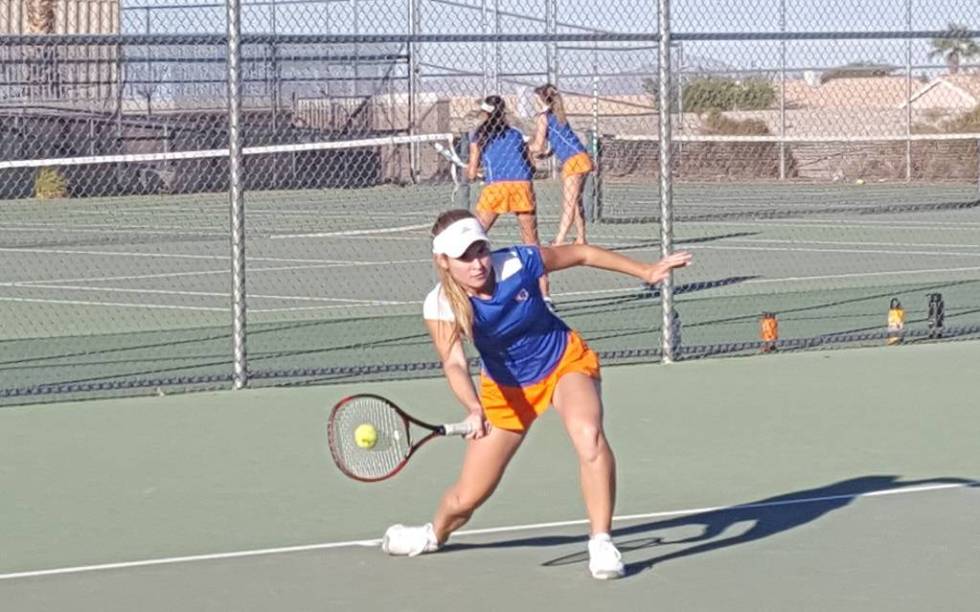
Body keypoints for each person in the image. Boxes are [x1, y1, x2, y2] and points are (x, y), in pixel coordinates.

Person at [381, 208, 693, 580]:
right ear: (443, 262)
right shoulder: (441, 305)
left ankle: (601, 541)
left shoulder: (518, 262)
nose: (477, 263)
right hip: (506, 391)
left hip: (563, 362)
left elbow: (581, 253)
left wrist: (645, 271)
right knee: (467, 498)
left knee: (588, 434)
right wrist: (472, 407)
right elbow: (454, 363)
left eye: (480, 249)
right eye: (465, 257)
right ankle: (433, 534)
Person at [467, 95, 552, 305]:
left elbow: (470, 173)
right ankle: (545, 296)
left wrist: (475, 172)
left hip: (497, 187)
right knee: (532, 244)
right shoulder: (515, 134)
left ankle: (470, 291)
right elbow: (530, 167)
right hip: (522, 185)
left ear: (486, 113)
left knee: (473, 238)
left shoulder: (479, 136)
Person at [528, 83, 594, 246]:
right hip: (581, 157)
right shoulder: (558, 114)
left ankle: (559, 240)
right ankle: (581, 238)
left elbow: (538, 145)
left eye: (536, 98)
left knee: (569, 202)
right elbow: (558, 142)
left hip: (574, 161)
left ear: (542, 99)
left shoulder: (544, 117)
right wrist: (546, 153)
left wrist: (521, 147)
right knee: (576, 201)